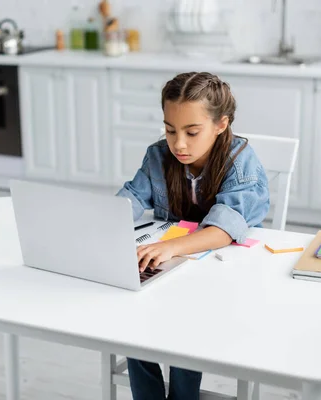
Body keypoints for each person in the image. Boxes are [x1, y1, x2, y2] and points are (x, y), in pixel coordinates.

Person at [116, 71, 271, 400]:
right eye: (170, 130)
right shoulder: (158, 156)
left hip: (222, 279)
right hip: (169, 274)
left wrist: (170, 247)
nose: (179, 143)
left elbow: (223, 229)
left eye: (192, 131)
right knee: (131, 324)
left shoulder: (241, 162)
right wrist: (102, 225)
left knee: (186, 329)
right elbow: (129, 199)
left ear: (221, 124)